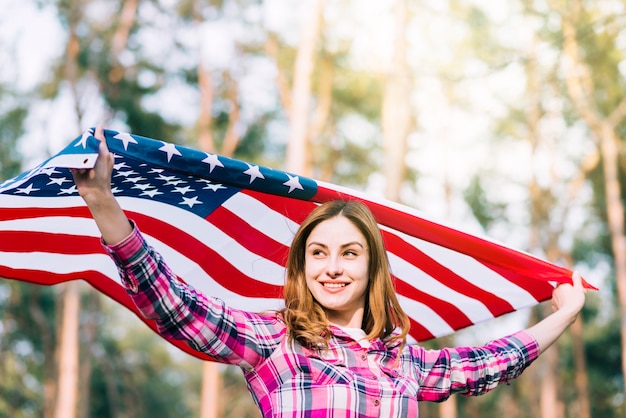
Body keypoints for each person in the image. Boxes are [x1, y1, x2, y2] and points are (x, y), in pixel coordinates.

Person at [71, 126, 586, 417]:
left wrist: (563, 313)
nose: (332, 268)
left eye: (349, 254)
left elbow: (488, 362)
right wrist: (103, 203)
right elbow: (174, 307)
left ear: (372, 268)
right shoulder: (274, 339)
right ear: (301, 267)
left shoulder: (405, 362)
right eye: (317, 253)